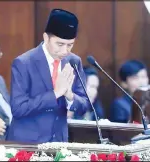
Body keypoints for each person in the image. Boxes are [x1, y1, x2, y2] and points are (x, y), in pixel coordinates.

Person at [7, 9, 89, 144]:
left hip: (59, 143)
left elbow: (84, 105)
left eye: (70, 45)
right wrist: (55, 93)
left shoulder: (74, 61)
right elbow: (18, 109)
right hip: (27, 144)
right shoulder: (24, 63)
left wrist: (69, 95)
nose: (65, 51)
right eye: (60, 44)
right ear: (46, 38)